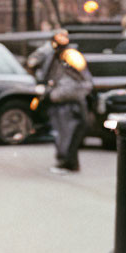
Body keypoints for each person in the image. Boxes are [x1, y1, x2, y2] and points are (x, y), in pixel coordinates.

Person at [40, 30, 93, 174]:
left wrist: (55, 94)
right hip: (64, 102)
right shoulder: (57, 58)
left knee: (67, 134)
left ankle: (68, 162)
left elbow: (83, 83)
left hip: (70, 103)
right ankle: (67, 162)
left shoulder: (69, 57)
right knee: (64, 134)